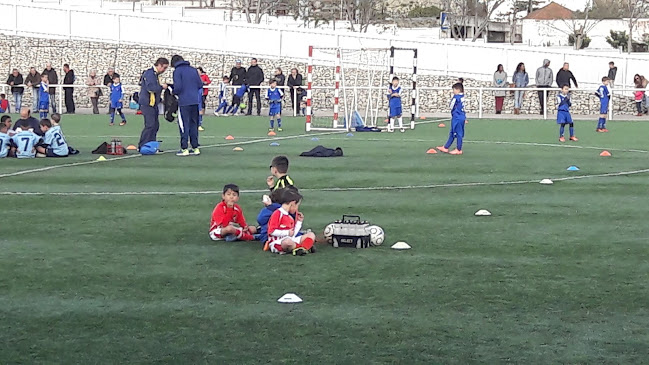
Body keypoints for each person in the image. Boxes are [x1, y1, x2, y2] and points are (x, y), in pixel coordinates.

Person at [171, 55, 204, 157]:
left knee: (183, 125)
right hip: (195, 101)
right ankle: (195, 148)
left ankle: (184, 148)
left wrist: (173, 91)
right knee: (194, 124)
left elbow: (178, 87)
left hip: (184, 102)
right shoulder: (193, 70)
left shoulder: (177, 71)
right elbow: (200, 84)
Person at [266, 189, 316, 255]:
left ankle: (302, 249)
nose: (297, 208)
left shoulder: (289, 216)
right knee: (287, 242)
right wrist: (287, 232)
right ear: (292, 203)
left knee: (311, 235)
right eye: (297, 205)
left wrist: (299, 222)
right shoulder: (277, 213)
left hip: (291, 240)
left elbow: (293, 234)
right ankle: (301, 247)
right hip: (277, 242)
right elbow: (271, 232)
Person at [138, 57, 169, 150]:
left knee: (155, 125)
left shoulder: (155, 74)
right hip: (147, 104)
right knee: (150, 125)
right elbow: (151, 88)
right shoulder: (149, 73)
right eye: (164, 68)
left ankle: (151, 146)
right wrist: (162, 87)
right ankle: (142, 145)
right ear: (159, 65)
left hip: (153, 104)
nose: (164, 70)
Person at [436, 83, 466, 155]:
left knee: (457, 133)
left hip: (457, 117)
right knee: (453, 132)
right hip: (461, 116)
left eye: (454, 90)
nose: (453, 91)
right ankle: (446, 147)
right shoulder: (463, 97)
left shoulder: (456, 97)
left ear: (458, 90)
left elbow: (451, 106)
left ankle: (458, 149)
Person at [198, 67, 211, 131]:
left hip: (202, 94)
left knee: (201, 105)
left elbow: (208, 81)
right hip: (193, 98)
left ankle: (199, 124)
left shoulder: (204, 76)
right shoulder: (194, 78)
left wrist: (204, 82)